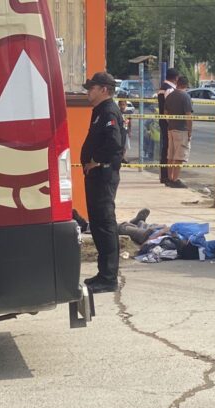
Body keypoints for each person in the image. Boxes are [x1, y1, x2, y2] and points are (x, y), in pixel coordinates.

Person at [80, 71, 126, 294]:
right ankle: (103, 274)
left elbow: (115, 144)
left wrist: (96, 161)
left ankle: (108, 278)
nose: (89, 91)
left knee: (105, 226)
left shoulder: (108, 111)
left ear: (104, 90)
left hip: (104, 176)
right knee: (98, 225)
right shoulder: (100, 111)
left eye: (92, 88)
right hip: (98, 176)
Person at [164, 76, 192, 189]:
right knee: (179, 156)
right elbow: (188, 115)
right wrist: (189, 130)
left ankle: (170, 178)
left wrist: (170, 121)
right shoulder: (185, 96)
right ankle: (175, 179)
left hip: (171, 128)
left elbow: (165, 112)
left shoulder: (170, 96)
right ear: (186, 85)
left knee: (171, 155)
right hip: (182, 129)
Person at [157, 68, 179, 184]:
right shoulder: (169, 89)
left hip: (163, 120)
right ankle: (166, 176)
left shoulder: (163, 87)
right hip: (168, 122)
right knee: (168, 149)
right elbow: (169, 108)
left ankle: (164, 175)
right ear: (176, 78)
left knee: (165, 148)